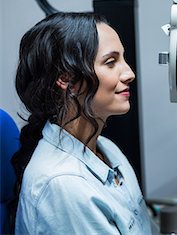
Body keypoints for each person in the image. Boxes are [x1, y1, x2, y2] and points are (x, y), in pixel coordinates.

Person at [12, 12, 153, 234]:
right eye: (110, 62)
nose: (129, 73)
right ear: (67, 80)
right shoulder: (63, 184)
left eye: (123, 59)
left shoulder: (108, 150)